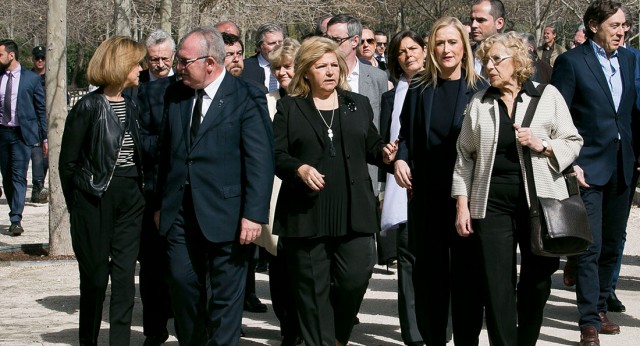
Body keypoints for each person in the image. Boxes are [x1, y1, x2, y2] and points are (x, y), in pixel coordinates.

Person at [453, 31, 583, 345]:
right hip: (491, 202)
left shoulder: (546, 95)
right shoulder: (480, 102)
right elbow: (464, 155)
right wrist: (461, 204)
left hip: (541, 203)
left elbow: (572, 140)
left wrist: (543, 144)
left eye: (497, 59)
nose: (490, 68)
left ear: (518, 61)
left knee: (537, 284)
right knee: (497, 286)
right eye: (486, 62)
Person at [272, 36, 396, 346]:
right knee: (312, 293)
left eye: (333, 65)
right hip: (306, 214)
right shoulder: (290, 108)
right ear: (306, 72)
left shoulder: (357, 104)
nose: (329, 72)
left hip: (353, 212)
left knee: (355, 277)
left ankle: (339, 337)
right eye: (320, 66)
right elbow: (276, 154)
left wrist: (385, 154)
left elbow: (372, 145)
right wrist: (298, 169)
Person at [154, 26, 273, 345]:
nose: (178, 67)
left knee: (225, 299)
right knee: (182, 285)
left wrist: (254, 214)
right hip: (179, 212)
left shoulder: (247, 96)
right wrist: (158, 205)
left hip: (230, 216)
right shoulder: (175, 94)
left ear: (209, 62)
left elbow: (260, 160)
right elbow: (166, 153)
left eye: (184, 61)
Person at [393, 17, 488, 346]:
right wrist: (401, 157)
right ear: (431, 47)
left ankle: (465, 340)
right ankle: (433, 338)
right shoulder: (419, 88)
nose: (446, 49)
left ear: (464, 46)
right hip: (427, 197)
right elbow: (405, 134)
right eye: (439, 43)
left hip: (467, 199)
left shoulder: (481, 90)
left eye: (452, 42)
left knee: (466, 278)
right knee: (429, 278)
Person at [551, 1, 639, 345]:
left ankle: (601, 308)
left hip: (623, 164)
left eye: (625, 25)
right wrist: (569, 163)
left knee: (614, 244)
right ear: (593, 25)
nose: (621, 31)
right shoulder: (571, 62)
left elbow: (633, 112)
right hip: (586, 166)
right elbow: (557, 115)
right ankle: (587, 320)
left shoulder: (631, 60)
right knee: (590, 244)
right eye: (615, 25)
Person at [59, 36, 146, 345]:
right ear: (121, 66)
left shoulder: (134, 106)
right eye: (136, 63)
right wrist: (79, 207)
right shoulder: (87, 107)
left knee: (124, 280)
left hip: (131, 198)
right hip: (94, 200)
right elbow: (67, 164)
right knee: (95, 279)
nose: (141, 68)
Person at [379, 29, 428, 346]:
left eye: (414, 48)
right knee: (408, 260)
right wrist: (387, 154)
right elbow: (385, 143)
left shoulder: (442, 88)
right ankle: (413, 333)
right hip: (402, 187)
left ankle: (439, 324)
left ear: (425, 51)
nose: (408, 54)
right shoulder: (389, 97)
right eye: (401, 51)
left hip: (436, 185)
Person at [257, 37, 304, 346]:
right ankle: (287, 327)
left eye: (287, 66)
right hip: (274, 190)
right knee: (279, 260)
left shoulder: (314, 100)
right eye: (276, 68)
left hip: (306, 189)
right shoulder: (268, 101)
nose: (281, 73)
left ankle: (303, 329)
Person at [135, 29, 176, 346]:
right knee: (151, 265)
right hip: (148, 187)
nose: (160, 64)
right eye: (154, 59)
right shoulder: (136, 87)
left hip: (181, 185)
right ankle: (154, 328)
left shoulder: (185, 85)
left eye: (164, 58)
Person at [0, 39, 47, 236]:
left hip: (22, 134)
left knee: (19, 176)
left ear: (11, 55)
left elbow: (41, 109)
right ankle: (14, 209)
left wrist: (44, 137)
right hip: (2, 133)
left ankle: (16, 218)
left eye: (0, 54)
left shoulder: (31, 79)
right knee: (7, 178)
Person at [29, 45, 49, 204]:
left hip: (48, 120)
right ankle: (37, 186)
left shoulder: (51, 78)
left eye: (43, 58)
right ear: (33, 59)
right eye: (37, 58)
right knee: (36, 154)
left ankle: (39, 186)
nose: (40, 61)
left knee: (45, 157)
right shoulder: (27, 77)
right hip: (31, 121)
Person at [243, 23, 284, 92]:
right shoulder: (245, 67)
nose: (278, 47)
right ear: (260, 46)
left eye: (280, 42)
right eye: (272, 43)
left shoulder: (293, 66)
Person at [469, 0, 506, 74]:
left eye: (481, 20)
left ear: (499, 23)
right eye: (472, 19)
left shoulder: (515, 55)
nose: (473, 25)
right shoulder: (466, 54)